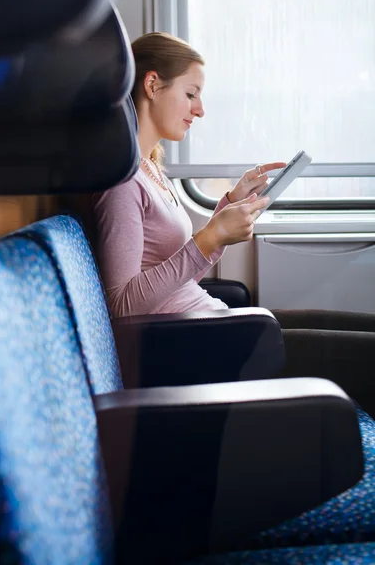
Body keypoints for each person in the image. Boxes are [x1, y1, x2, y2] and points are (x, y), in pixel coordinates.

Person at [91, 32, 375, 407]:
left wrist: (223, 214)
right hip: (197, 346)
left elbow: (171, 278)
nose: (200, 109)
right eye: (191, 94)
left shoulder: (151, 169)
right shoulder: (122, 184)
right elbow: (123, 307)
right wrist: (210, 237)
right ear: (152, 84)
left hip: (212, 326)